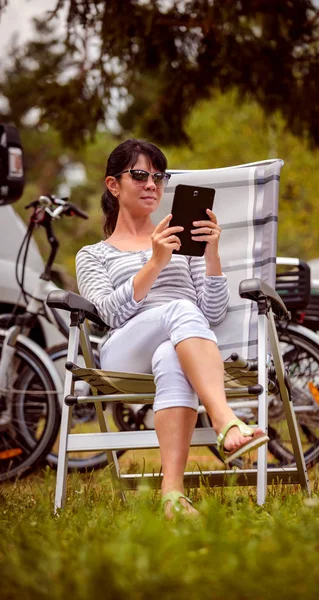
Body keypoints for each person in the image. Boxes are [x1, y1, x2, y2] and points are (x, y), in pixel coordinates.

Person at [75, 139, 269, 518]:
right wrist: (155, 262)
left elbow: (211, 314)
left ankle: (172, 496)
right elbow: (110, 315)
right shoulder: (93, 255)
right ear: (113, 185)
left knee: (171, 353)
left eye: (158, 177)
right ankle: (225, 419)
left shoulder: (182, 243)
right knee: (179, 309)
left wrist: (212, 252)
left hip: (182, 347)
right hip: (124, 356)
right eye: (140, 175)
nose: (152, 184)